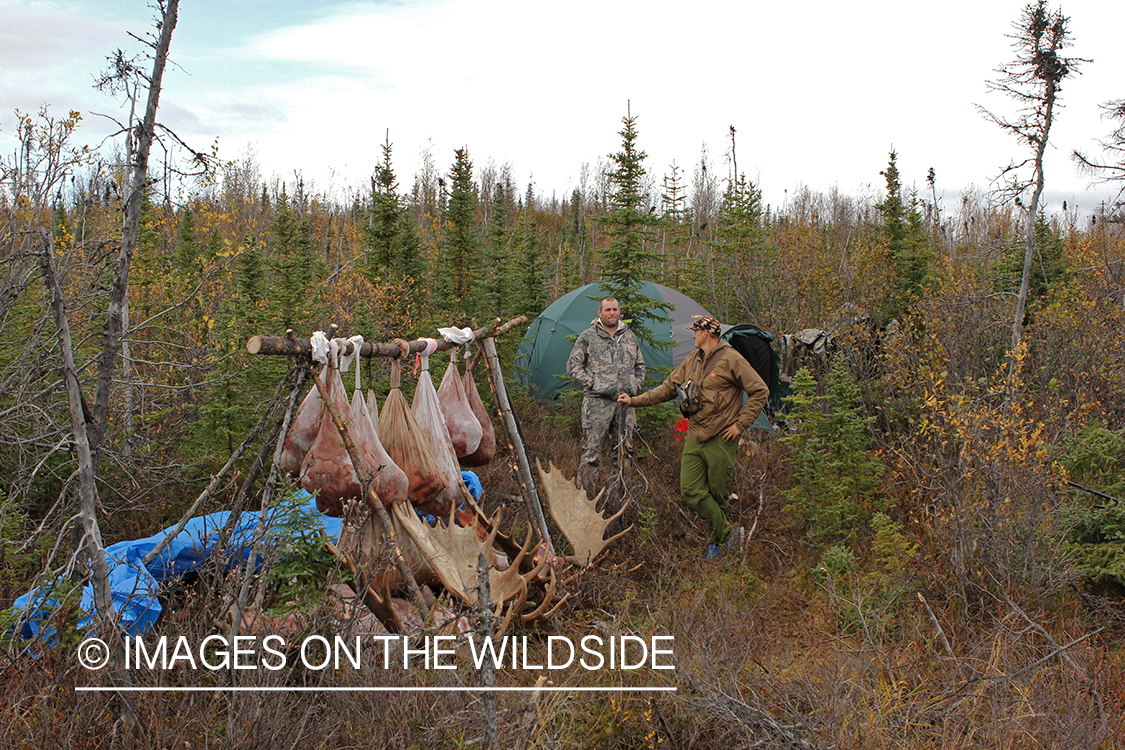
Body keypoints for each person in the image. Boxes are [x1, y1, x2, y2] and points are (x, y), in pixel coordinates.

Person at [618, 316, 768, 559]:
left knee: (719, 493)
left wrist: (740, 425)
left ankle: (715, 545)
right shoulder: (692, 359)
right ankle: (729, 534)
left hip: (721, 437)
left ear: (706, 333)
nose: (693, 335)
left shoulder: (732, 359)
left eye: (696, 331)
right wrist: (634, 401)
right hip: (695, 435)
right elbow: (667, 388)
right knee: (690, 491)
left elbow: (760, 391)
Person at [566, 296, 646, 494]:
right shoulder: (588, 336)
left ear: (619, 312)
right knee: (591, 453)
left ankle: (619, 496)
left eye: (615, 309)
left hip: (625, 404)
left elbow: (640, 366)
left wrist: (635, 386)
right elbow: (573, 365)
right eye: (608, 309)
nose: (612, 313)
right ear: (600, 312)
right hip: (597, 403)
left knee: (624, 452)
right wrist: (592, 383)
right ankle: (586, 497)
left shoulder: (629, 336)